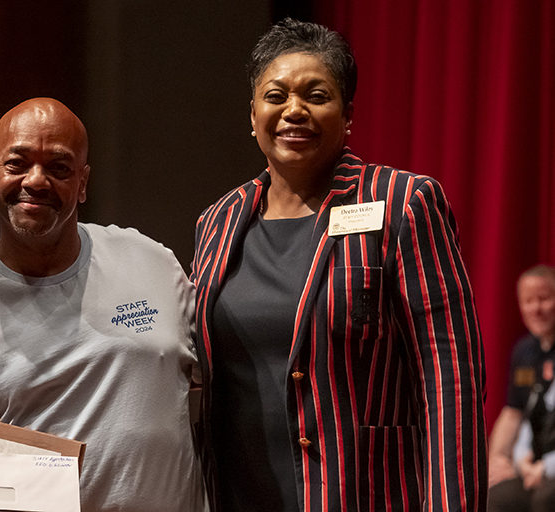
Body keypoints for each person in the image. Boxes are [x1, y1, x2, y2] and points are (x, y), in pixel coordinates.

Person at [191, 18, 486, 511]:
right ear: (253, 112)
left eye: (316, 95)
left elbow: (450, 376)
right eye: (276, 95)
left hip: (363, 496)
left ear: (348, 114)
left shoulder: (401, 203)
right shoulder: (217, 221)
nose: (294, 111)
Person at [0, 97, 207, 512]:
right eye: (17, 163)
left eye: (59, 168)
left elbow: (215, 384)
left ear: (82, 183)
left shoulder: (151, 262)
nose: (36, 181)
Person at [487, 265, 555, 511]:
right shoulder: (523, 352)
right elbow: (512, 412)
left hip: (550, 466)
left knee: (544, 500)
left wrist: (546, 467)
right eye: (528, 301)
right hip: (529, 462)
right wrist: (497, 461)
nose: (536, 309)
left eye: (544, 299)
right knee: (496, 497)